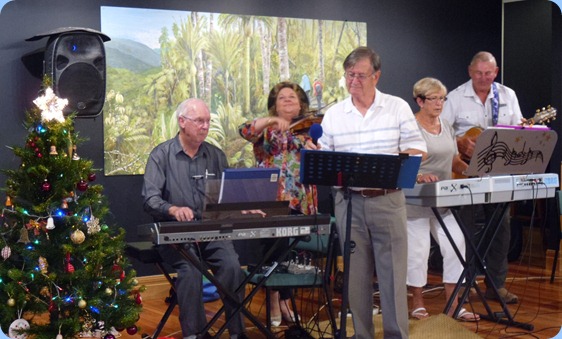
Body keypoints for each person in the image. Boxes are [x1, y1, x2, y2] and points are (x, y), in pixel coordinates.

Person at [310, 46, 427, 339]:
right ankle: (362, 335)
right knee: (355, 278)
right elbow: (326, 158)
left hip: (387, 200)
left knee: (392, 276)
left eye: (361, 76)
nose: (354, 81)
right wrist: (316, 155)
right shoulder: (335, 114)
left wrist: (394, 162)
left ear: (377, 76)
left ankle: (395, 335)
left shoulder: (397, 106)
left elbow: (417, 148)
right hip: (348, 203)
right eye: (350, 75)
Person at [142, 98, 247, 339]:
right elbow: (149, 199)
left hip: (211, 231)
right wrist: (172, 209)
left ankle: (238, 332)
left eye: (208, 121)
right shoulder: (161, 155)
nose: (205, 126)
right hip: (175, 234)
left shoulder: (216, 156)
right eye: (200, 120)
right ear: (182, 122)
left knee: (231, 266)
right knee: (189, 271)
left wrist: (245, 208)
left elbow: (227, 197)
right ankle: (196, 334)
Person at [441, 51, 525, 304]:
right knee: (464, 229)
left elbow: (518, 130)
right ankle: (464, 286)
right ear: (470, 71)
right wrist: (460, 142)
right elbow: (440, 132)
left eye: (488, 73)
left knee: (501, 228)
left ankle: (496, 286)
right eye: (478, 73)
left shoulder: (507, 95)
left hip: (499, 171)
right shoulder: (455, 97)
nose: (483, 77)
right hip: (464, 172)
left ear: (495, 72)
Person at [238, 81, 317, 326]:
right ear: (274, 104)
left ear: (301, 103)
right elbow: (245, 131)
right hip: (272, 198)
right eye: (282, 97)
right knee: (273, 250)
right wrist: (271, 121)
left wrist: (317, 150)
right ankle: (274, 299)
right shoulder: (267, 129)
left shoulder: (310, 129)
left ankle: (285, 300)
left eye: (292, 97)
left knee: (292, 253)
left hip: (301, 198)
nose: (287, 100)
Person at [406, 77, 479, 322]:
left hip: (443, 200)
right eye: (433, 98)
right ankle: (417, 302)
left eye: (442, 98)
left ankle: (453, 304)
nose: (439, 103)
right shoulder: (410, 127)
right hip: (415, 201)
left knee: (456, 245)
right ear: (419, 100)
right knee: (418, 251)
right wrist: (420, 175)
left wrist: (469, 169)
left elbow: (454, 160)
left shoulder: (446, 125)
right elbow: (404, 163)